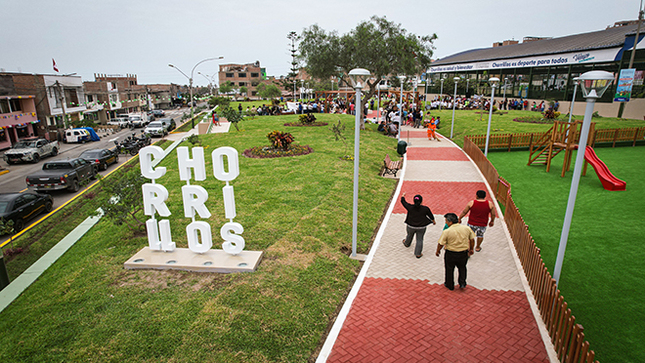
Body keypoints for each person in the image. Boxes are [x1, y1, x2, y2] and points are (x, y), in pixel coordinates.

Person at [435, 213, 475, 290]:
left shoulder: (447, 231)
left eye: (446, 221)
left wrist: (438, 251)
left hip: (451, 253)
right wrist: (471, 249)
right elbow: (472, 239)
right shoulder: (466, 228)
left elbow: (441, 243)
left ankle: (450, 284)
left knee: (449, 269)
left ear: (450, 222)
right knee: (462, 268)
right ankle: (462, 283)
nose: (446, 223)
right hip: (463, 253)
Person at [401, 192, 436, 258]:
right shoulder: (425, 209)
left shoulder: (410, 207)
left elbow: (403, 202)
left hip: (411, 226)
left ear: (413, 201)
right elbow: (431, 216)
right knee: (419, 240)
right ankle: (418, 253)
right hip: (421, 227)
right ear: (421, 201)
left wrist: (403, 196)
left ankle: (407, 243)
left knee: (409, 235)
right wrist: (434, 222)